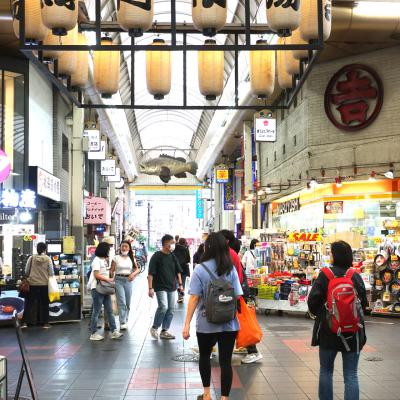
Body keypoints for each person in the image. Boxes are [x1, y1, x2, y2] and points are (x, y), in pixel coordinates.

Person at [182, 232, 243, 400]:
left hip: (206, 322)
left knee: (204, 356)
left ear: (207, 247)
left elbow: (194, 298)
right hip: (229, 323)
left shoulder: (200, 269)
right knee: (225, 361)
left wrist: (186, 324)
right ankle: (224, 398)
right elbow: (238, 295)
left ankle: (207, 394)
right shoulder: (230, 268)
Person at [308, 241, 368, 400]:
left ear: (335, 255)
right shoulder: (354, 275)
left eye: (331, 252)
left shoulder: (325, 274)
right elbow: (364, 303)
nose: (329, 255)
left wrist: (322, 313)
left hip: (328, 330)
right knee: (351, 374)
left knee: (326, 371)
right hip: (353, 331)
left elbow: (312, 301)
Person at [148, 234, 183, 340]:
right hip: (160, 286)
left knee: (171, 309)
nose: (173, 245)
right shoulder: (156, 256)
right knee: (163, 307)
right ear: (165, 243)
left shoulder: (172, 256)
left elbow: (178, 271)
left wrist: (180, 285)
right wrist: (150, 288)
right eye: (172, 243)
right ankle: (155, 327)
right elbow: (150, 273)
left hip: (171, 286)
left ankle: (164, 331)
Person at [88, 242, 123, 341]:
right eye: (108, 249)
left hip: (104, 288)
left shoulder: (103, 260)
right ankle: (93, 333)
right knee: (96, 311)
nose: (109, 251)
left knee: (109, 310)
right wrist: (108, 279)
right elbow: (96, 275)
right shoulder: (96, 260)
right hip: (97, 288)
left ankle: (114, 331)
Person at [21, 242, 54, 329]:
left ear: (37, 249)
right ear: (45, 249)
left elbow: (26, 271)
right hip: (44, 284)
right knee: (44, 303)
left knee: (29, 303)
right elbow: (51, 272)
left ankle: (24, 323)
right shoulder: (48, 259)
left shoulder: (31, 258)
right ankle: (45, 323)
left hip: (32, 284)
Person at [110, 240, 140, 330]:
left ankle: (126, 320)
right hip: (118, 280)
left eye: (126, 246)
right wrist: (111, 279)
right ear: (120, 247)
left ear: (129, 248)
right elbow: (111, 270)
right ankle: (122, 322)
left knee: (128, 302)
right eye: (122, 246)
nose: (124, 248)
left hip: (128, 281)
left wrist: (133, 274)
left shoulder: (131, 258)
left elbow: (137, 269)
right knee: (121, 302)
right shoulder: (116, 258)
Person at [173, 237, 191, 303]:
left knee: (177, 282)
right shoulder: (186, 249)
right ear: (184, 242)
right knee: (182, 283)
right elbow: (188, 260)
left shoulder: (174, 249)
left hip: (176, 268)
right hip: (184, 268)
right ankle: (181, 297)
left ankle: (179, 292)